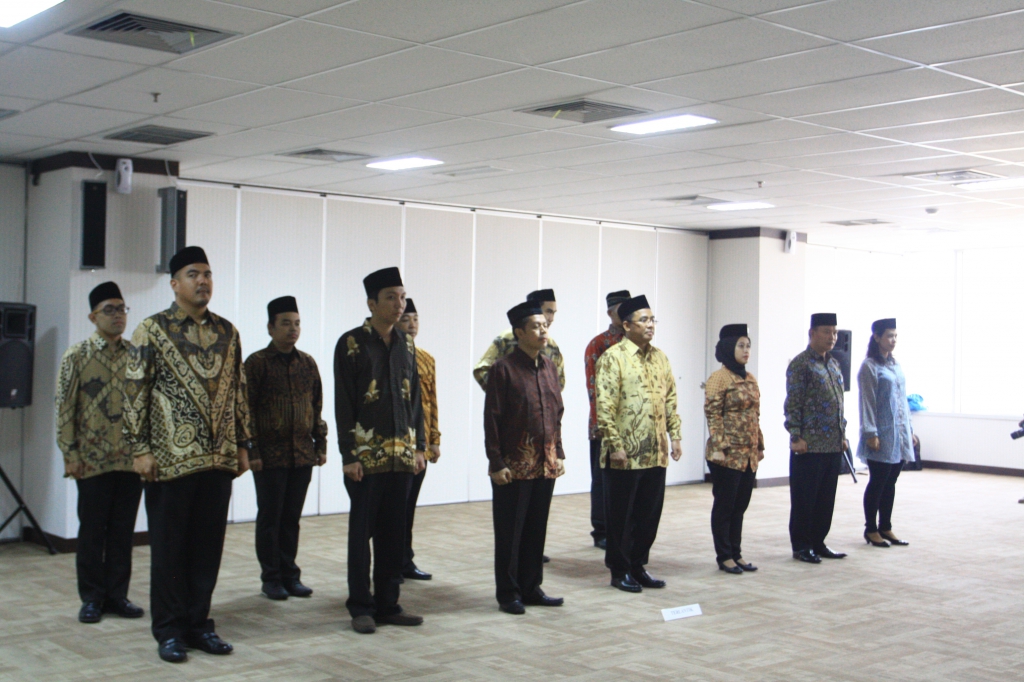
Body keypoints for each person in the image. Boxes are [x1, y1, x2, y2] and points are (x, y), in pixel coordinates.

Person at [123, 246, 252, 663]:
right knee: (169, 550)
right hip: (169, 462)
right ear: (175, 284)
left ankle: (198, 624)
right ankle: (169, 630)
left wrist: (243, 444)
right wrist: (140, 449)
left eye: (208, 274)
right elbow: (134, 392)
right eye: (193, 274)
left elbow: (239, 391)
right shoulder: (151, 330)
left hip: (218, 461)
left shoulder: (228, 332)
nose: (203, 281)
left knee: (207, 549)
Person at [334, 267, 426, 635]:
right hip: (366, 458)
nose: (399, 304)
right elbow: (344, 402)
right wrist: (348, 455)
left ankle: (389, 604)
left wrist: (419, 447)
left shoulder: (406, 343)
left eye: (402, 297)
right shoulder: (351, 343)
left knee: (393, 532)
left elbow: (415, 400)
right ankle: (361, 606)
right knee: (362, 535)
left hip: (401, 456)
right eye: (391, 297)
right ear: (372, 303)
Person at [55, 282, 144, 625]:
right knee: (92, 532)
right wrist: (70, 453)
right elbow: (64, 407)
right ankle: (92, 598)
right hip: (91, 460)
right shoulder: (77, 356)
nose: (118, 315)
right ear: (93, 317)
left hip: (129, 459)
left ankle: (117, 596)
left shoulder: (136, 355)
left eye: (121, 309)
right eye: (109, 310)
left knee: (122, 532)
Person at [595, 294, 682, 593]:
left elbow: (670, 399)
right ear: (627, 325)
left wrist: (675, 435)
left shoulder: (660, 358)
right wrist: (615, 444)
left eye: (652, 320)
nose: (650, 325)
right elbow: (604, 406)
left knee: (648, 516)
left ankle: (638, 565)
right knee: (621, 517)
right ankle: (619, 571)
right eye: (643, 320)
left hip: (655, 452)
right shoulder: (613, 358)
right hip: (625, 454)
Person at [484, 301, 565, 614]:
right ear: (519, 333)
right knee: (510, 533)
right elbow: (492, 419)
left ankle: (531, 587)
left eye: (544, 325)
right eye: (536, 326)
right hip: (513, 466)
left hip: (545, 463)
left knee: (536, 529)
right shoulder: (502, 369)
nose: (543, 330)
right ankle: (508, 593)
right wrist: (496, 462)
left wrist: (559, 452)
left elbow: (556, 413)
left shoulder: (549, 367)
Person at [245, 296, 328, 600]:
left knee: (291, 518)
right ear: (270, 327)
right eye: (285, 324)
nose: (293, 329)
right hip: (269, 456)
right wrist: (251, 451)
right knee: (271, 518)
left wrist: (321, 443)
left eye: (297, 324)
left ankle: (290, 575)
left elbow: (316, 405)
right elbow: (245, 410)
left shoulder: (307, 363)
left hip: (302, 454)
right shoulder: (256, 363)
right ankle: (271, 578)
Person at [784, 312, 849, 564]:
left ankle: (818, 542)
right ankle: (801, 546)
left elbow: (839, 403)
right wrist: (796, 435)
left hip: (832, 444)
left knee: (825, 499)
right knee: (805, 499)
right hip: (808, 445)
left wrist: (842, 434)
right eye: (827, 331)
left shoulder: (833, 364)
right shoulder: (801, 364)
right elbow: (793, 403)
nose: (832, 337)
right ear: (812, 333)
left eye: (835, 332)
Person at [704, 324, 764, 575]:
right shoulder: (719, 378)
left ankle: (736, 553)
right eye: (741, 346)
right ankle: (724, 555)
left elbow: (755, 415)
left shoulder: (749, 378)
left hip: (748, 455)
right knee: (725, 506)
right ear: (729, 348)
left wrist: (760, 445)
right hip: (727, 455)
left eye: (748, 345)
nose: (746, 350)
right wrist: (719, 446)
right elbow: (713, 414)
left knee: (740, 506)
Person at [857, 318, 914, 548]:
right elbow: (867, 402)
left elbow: (903, 400)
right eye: (889, 336)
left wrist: (910, 429)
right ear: (877, 337)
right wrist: (871, 432)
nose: (893, 340)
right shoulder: (869, 366)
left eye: (895, 336)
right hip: (880, 434)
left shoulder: (895, 365)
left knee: (891, 482)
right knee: (878, 481)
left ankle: (886, 526)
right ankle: (871, 529)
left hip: (898, 433)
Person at [394, 298, 441, 582]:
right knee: (395, 508)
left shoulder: (425, 358)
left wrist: (434, 439)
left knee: (409, 506)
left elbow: (431, 400)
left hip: (420, 446)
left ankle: (405, 559)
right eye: (406, 319)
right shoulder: (391, 355)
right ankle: (391, 561)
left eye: (415, 319)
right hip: (396, 445)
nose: (412, 324)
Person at [584, 289, 631, 551]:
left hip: (633, 427)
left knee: (629, 481)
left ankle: (625, 528)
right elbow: (595, 390)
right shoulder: (599, 344)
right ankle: (601, 529)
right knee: (603, 480)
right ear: (610, 313)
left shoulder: (638, 344)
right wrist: (603, 426)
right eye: (621, 310)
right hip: (604, 427)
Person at [473, 289, 565, 391]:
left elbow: (559, 381)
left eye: (553, 313)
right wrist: (502, 394)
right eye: (548, 312)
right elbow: (481, 370)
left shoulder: (551, 345)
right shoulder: (507, 338)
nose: (551, 318)